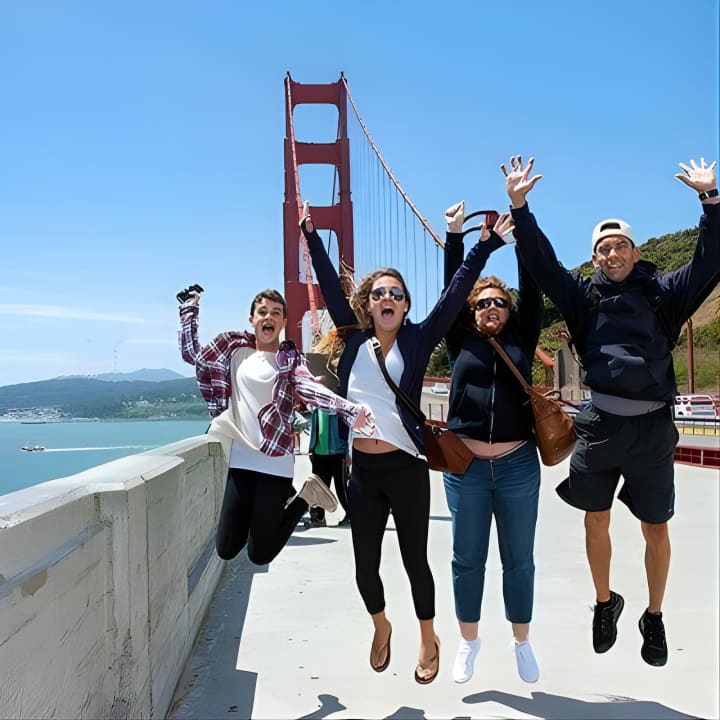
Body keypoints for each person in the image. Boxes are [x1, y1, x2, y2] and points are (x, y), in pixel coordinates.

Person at [503, 154, 720, 667]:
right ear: (595, 258)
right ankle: (605, 603)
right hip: (600, 426)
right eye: (603, 248)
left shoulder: (663, 294)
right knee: (594, 522)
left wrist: (710, 202)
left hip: (651, 427)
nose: (612, 253)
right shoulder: (582, 299)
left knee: (656, 527)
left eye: (620, 244)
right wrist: (520, 206)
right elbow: (543, 265)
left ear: (635, 251)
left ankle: (655, 616)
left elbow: (710, 262)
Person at [300, 201, 512, 684]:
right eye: (379, 293)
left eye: (396, 292)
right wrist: (312, 234)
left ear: (405, 304)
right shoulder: (353, 342)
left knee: (416, 561)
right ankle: (381, 625)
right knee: (364, 568)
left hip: (408, 468)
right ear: (369, 304)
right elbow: (331, 286)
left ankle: (428, 635)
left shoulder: (418, 339)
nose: (387, 297)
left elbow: (456, 295)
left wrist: (481, 246)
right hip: (365, 475)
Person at [178, 287, 372, 565]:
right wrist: (189, 311)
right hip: (241, 460)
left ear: (283, 322)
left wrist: (350, 410)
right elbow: (193, 355)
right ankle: (305, 496)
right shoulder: (233, 353)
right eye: (263, 312)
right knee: (227, 547)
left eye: (276, 313)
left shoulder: (290, 362)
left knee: (260, 554)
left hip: (275, 463)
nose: (269, 317)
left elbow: (312, 390)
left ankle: (307, 496)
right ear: (252, 319)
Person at [441, 202, 544, 684]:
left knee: (518, 559)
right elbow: (454, 288)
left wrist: (520, 237)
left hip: (519, 464)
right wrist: (457, 237)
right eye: (482, 303)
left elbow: (534, 290)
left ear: (509, 309)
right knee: (466, 559)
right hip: (465, 469)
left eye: (498, 302)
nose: (490, 308)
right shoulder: (460, 340)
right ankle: (468, 641)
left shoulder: (523, 335)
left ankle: (521, 641)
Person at [304, 348, 351, 528]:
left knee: (342, 488)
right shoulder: (315, 405)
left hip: (336, 452)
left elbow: (346, 428)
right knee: (317, 487)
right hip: (318, 453)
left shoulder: (338, 404)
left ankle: (352, 514)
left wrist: (348, 452)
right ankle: (318, 518)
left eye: (321, 386)